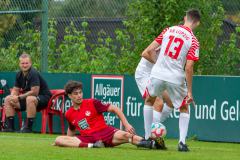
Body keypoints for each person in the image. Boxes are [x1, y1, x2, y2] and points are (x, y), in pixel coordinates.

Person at [142, 9, 201, 152]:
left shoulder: (168, 30)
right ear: (197, 23)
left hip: (157, 73)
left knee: (149, 100)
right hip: (175, 77)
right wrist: (189, 92)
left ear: (184, 18)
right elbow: (189, 67)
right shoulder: (193, 41)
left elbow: (148, 51)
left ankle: (148, 138)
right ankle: (181, 143)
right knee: (184, 107)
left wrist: (159, 64)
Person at [54, 80, 165, 149]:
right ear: (69, 95)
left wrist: (126, 124)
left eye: (80, 92)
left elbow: (115, 109)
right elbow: (71, 130)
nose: (79, 95)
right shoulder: (69, 113)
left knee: (127, 136)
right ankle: (93, 146)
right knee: (59, 139)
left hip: (105, 133)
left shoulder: (92, 103)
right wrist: (67, 141)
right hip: (87, 138)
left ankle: (153, 144)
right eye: (75, 93)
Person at [3, 53, 52, 133]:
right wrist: (13, 97)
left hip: (44, 98)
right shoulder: (19, 74)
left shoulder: (33, 73)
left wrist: (18, 97)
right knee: (8, 98)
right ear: (19, 64)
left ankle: (28, 128)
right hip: (29, 100)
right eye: (22, 63)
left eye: (26, 63)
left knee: (30, 98)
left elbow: (35, 92)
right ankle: (10, 128)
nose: (24, 65)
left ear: (30, 63)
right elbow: (15, 89)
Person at [135, 50, 174, 141]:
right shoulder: (163, 39)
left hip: (157, 76)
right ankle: (151, 137)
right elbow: (144, 53)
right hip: (144, 74)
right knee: (158, 102)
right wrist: (159, 65)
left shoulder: (174, 44)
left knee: (171, 102)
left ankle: (154, 127)